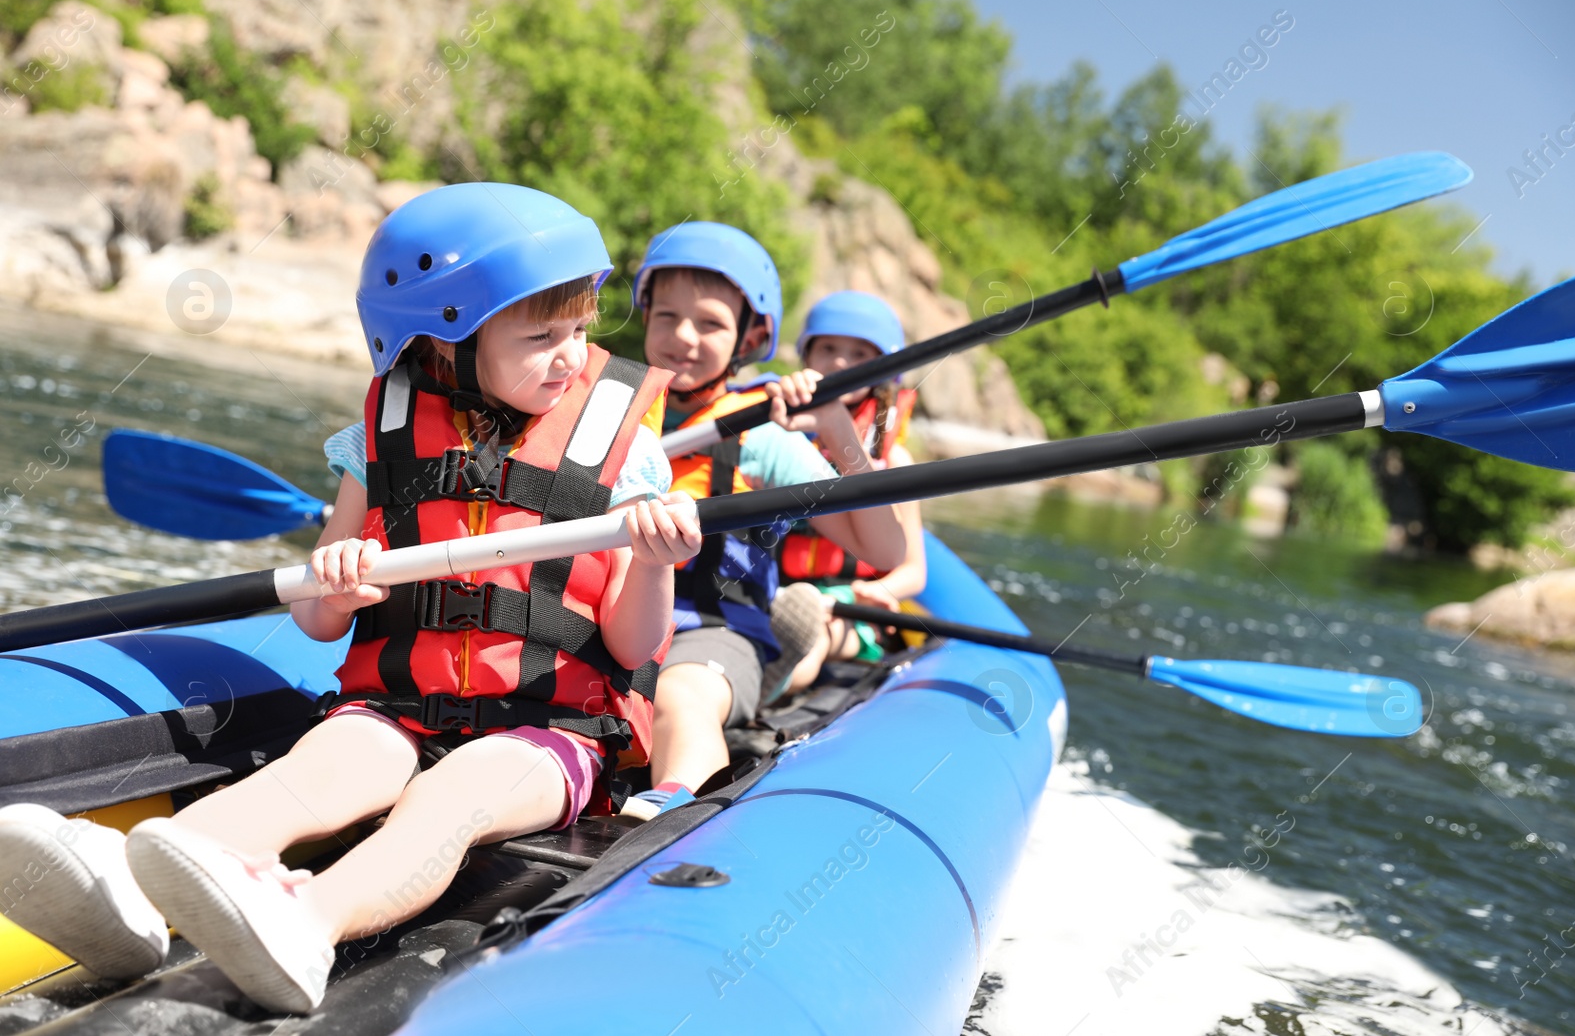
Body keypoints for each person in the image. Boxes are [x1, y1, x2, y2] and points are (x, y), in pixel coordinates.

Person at [0, 183, 698, 1013]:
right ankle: (123, 889)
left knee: (459, 788)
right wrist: (339, 574)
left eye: (580, 330)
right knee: (318, 768)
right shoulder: (383, 435)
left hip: (551, 730)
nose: (574, 356)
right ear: (445, 343)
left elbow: (629, 646)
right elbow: (323, 618)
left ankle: (309, 920)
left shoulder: (626, 453)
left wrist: (655, 560)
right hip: (400, 702)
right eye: (541, 335)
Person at [625, 223, 906, 815]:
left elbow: (882, 550)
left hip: (710, 631)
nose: (683, 337)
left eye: (710, 324)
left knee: (679, 697)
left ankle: (676, 808)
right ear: (644, 314)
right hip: (611, 626)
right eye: (667, 316)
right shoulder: (609, 408)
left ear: (749, 336)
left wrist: (833, 424)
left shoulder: (764, 440)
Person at [765, 291, 926, 700]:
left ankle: (766, 687)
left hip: (844, 604)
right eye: (829, 349)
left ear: (882, 371)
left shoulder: (895, 459)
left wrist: (880, 592)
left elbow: (914, 571)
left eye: (859, 355)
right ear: (807, 357)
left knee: (813, 641)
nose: (840, 362)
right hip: (774, 590)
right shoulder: (780, 440)